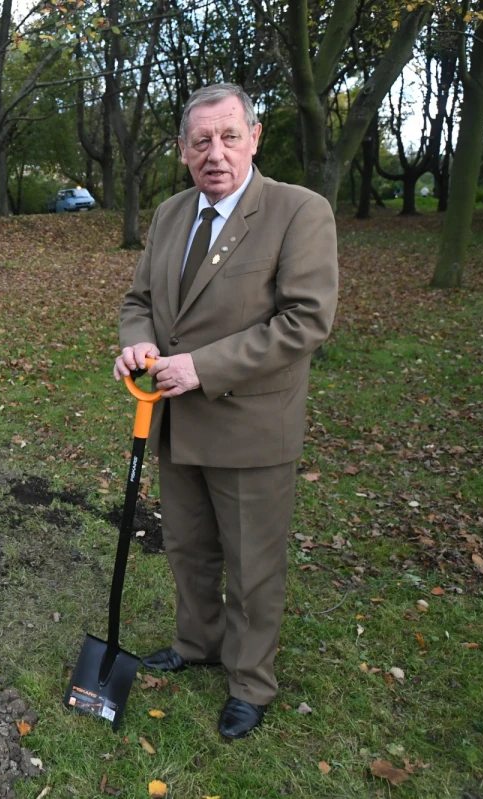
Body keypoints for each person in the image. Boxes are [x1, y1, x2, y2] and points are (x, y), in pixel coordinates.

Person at [114, 83, 338, 739]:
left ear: (255, 137)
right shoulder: (171, 214)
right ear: (184, 151)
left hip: (248, 426)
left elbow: (305, 321)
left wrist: (202, 366)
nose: (216, 152)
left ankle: (250, 680)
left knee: (251, 565)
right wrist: (139, 346)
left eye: (229, 136)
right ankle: (196, 642)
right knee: (188, 549)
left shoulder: (299, 212)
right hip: (175, 421)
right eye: (201, 140)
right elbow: (139, 301)